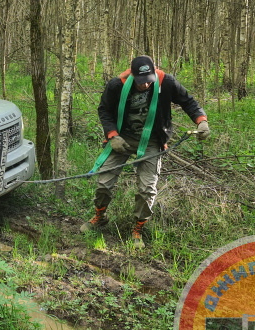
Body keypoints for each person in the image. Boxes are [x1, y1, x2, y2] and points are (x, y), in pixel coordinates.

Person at [80, 55, 210, 248]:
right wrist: (112, 135)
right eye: (141, 83)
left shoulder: (166, 82)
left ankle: (138, 228)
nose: (146, 86)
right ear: (132, 76)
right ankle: (100, 217)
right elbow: (104, 110)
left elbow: (188, 101)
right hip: (123, 138)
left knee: (147, 189)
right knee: (103, 183)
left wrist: (202, 121)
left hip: (152, 140)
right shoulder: (117, 85)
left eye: (149, 81)